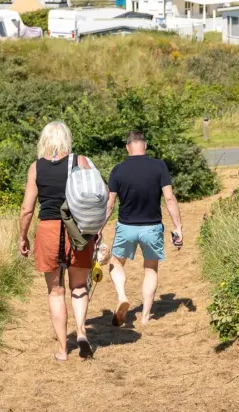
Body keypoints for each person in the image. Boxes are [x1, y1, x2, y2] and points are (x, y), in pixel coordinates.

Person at [19, 121, 97, 361]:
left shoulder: (36, 168)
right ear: (67, 139)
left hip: (49, 230)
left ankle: (63, 350)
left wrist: (22, 236)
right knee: (79, 286)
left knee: (55, 291)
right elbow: (94, 195)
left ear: (43, 140)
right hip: (78, 230)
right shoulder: (80, 161)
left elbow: (27, 209)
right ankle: (82, 331)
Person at [106, 131, 183, 327]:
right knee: (150, 269)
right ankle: (145, 317)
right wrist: (178, 227)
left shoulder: (117, 170)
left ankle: (122, 295)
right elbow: (170, 198)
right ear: (145, 146)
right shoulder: (159, 166)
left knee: (116, 262)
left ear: (127, 147)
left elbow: (110, 203)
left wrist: (99, 227)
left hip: (126, 227)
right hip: (152, 227)